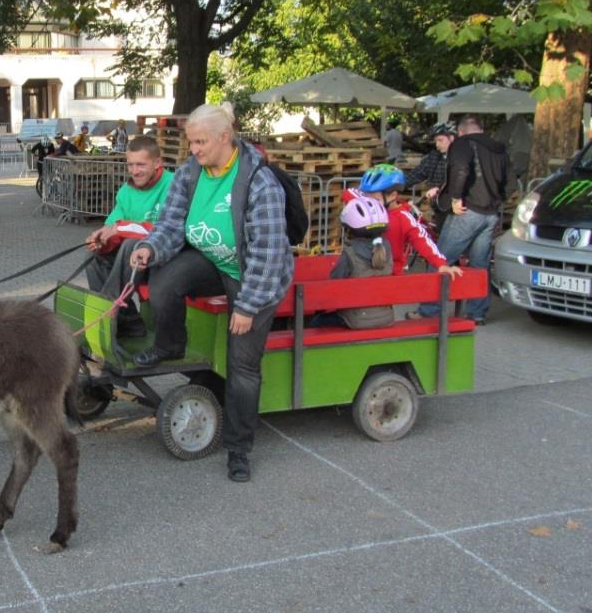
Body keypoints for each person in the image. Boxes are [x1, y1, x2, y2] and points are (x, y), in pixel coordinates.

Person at [129, 102, 293, 483]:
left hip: (252, 274)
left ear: (225, 137)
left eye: (200, 142)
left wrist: (248, 306)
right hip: (212, 260)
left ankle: (239, 448)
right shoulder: (191, 172)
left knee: (243, 365)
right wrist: (151, 248)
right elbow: (170, 223)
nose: (194, 150)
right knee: (164, 280)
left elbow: (268, 254)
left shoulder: (258, 182)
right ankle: (171, 344)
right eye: (191, 142)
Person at [417, 116, 510, 325]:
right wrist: (497, 200)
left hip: (468, 209)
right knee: (480, 265)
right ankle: (477, 313)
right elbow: (510, 180)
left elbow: (461, 169)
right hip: (491, 212)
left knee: (440, 259)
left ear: (460, 132)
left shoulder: (463, 144)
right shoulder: (499, 149)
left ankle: (429, 310)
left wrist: (456, 198)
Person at [84, 136, 174, 336]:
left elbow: (166, 229)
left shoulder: (172, 185)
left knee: (131, 244)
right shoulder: (126, 190)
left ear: (157, 162)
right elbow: (113, 225)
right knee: (93, 256)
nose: (134, 171)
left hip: (166, 255)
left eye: (141, 165)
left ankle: (106, 315)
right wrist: (102, 240)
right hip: (134, 260)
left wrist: (120, 229)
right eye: (130, 165)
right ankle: (129, 322)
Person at [355, 164, 462, 279]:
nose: (368, 203)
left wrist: (440, 263)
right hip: (363, 273)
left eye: (375, 199)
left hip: (390, 277)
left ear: (392, 196)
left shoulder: (403, 218)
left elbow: (422, 239)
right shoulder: (367, 209)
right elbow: (349, 194)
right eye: (365, 198)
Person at [312, 196, 394, 329]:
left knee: (316, 321)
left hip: (356, 319)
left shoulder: (350, 254)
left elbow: (332, 289)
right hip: (387, 317)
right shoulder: (387, 249)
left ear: (350, 229)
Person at [403, 122, 455, 236]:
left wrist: (439, 188)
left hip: (457, 207)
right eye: (436, 141)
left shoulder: (462, 157)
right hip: (440, 206)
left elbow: (460, 179)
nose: (437, 144)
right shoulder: (435, 156)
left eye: (440, 140)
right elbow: (418, 172)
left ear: (451, 138)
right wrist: (399, 185)